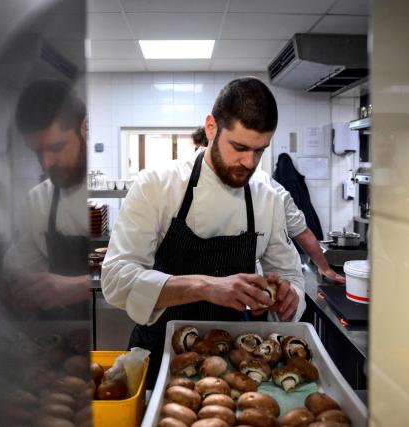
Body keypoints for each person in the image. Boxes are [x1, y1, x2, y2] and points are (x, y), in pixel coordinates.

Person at [102, 77, 305, 385]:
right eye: (239, 147)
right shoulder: (158, 185)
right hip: (160, 353)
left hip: (236, 361)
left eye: (259, 151)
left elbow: (290, 276)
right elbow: (116, 279)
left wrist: (289, 299)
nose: (249, 163)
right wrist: (206, 286)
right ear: (211, 127)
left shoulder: (267, 197)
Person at [190, 127, 345, 284]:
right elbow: (302, 232)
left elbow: (300, 231)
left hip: (243, 295)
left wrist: (324, 269)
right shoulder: (178, 184)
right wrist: (324, 268)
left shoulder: (265, 186)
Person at [3, 79, 90, 317]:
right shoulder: (37, 201)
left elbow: (149, 275)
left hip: (119, 331)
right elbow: (24, 266)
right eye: (37, 151)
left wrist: (83, 286)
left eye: (56, 147)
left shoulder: (122, 194)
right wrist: (18, 288)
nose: (46, 163)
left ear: (85, 128)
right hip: (68, 328)